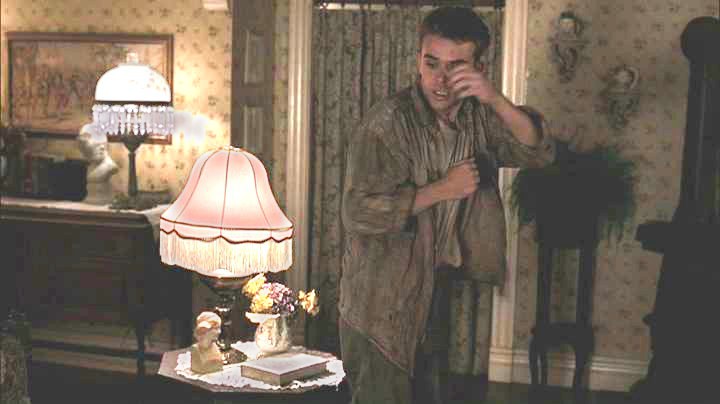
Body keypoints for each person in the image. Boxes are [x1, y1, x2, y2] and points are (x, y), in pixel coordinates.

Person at [339, 7, 555, 404]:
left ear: (478, 70)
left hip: (432, 290)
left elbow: (535, 150)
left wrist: (495, 98)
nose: (439, 80)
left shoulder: (477, 118)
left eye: (455, 67)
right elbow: (358, 212)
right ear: (418, 60)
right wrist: (442, 189)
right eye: (431, 63)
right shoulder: (387, 123)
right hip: (378, 299)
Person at [77, 123, 119, 205]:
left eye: (89, 151)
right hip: (91, 201)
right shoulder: (91, 166)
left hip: (102, 201)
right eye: (84, 151)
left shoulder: (109, 166)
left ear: (102, 147)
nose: (85, 155)